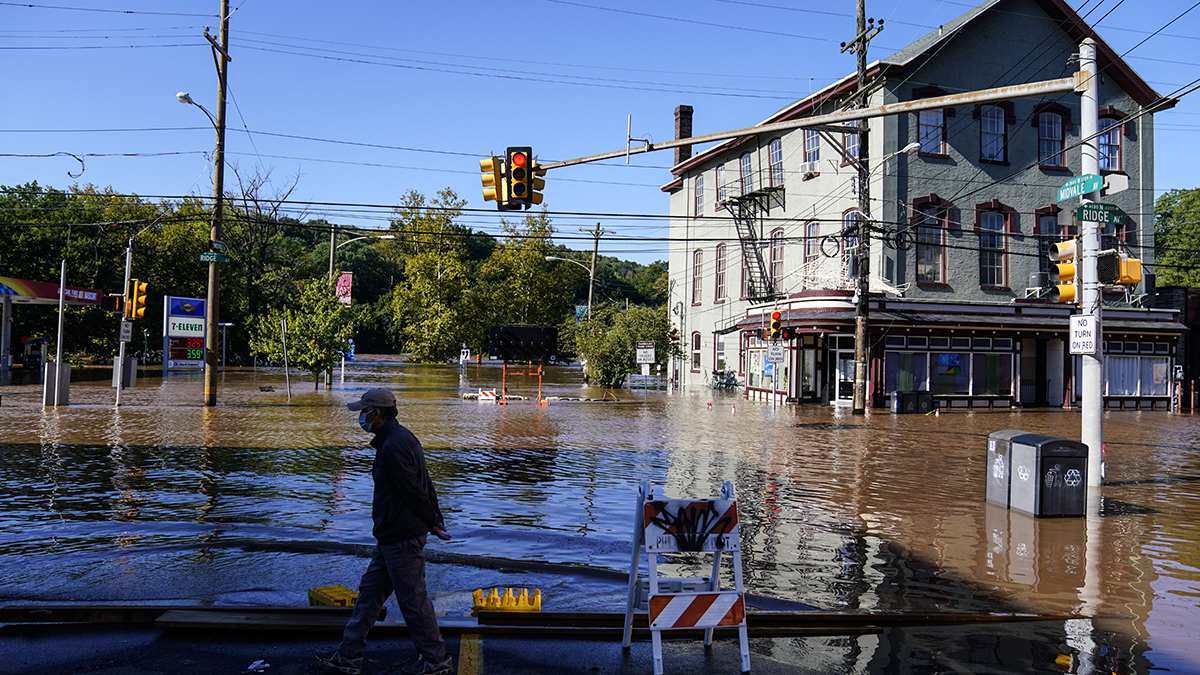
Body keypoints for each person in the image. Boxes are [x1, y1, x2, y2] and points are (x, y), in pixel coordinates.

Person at [316, 388, 454, 675]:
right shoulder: (403, 438)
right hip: (392, 535)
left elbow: (413, 490)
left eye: (364, 412)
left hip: (401, 536)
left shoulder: (392, 446)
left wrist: (431, 521)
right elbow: (426, 483)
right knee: (370, 594)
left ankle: (437, 661)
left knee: (413, 601)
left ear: (376, 413)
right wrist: (435, 516)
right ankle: (349, 654)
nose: (361, 418)